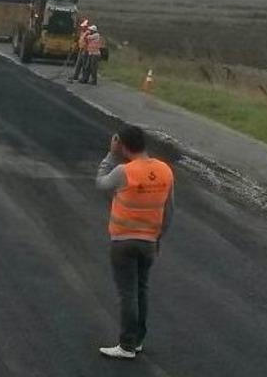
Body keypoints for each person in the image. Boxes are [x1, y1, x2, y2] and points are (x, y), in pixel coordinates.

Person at [96, 126, 175, 360]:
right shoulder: (165, 171)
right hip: (149, 241)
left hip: (124, 241)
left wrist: (110, 155)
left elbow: (101, 183)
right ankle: (138, 339)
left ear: (121, 145)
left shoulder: (124, 171)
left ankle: (126, 345)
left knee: (127, 293)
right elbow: (169, 209)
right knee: (142, 289)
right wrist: (159, 237)